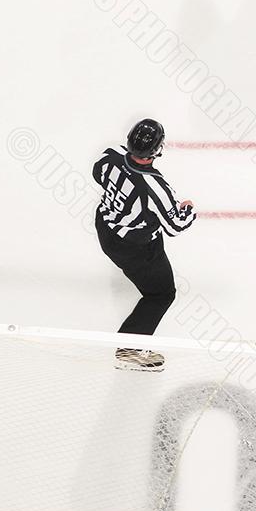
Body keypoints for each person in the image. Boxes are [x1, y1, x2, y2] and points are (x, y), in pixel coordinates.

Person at [92, 119, 196, 371]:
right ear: (158, 149)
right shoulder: (154, 188)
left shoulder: (111, 155)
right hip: (136, 249)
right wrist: (188, 210)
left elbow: (98, 174)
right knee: (161, 295)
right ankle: (129, 349)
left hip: (106, 229)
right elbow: (174, 226)